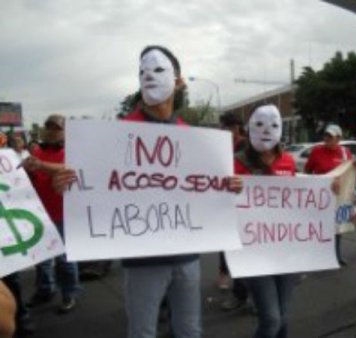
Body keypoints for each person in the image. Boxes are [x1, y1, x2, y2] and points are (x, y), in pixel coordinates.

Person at [52, 45, 243, 338]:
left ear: (178, 81)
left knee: (190, 330)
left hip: (187, 257)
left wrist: (229, 187)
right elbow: (91, 185)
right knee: (142, 333)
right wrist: (66, 183)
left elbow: (205, 188)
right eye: (143, 71)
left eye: (158, 70)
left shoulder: (192, 137)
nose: (149, 76)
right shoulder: (117, 133)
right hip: (143, 262)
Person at [234, 104, 297, 338]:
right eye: (259, 124)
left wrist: (329, 189)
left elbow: (299, 200)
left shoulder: (288, 161)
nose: (266, 130)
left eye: (273, 125)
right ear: (250, 128)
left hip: (286, 251)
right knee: (271, 319)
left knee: (283, 317)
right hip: (254, 252)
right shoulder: (236, 163)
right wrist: (229, 188)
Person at [22, 114, 82, 314]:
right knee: (41, 258)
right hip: (39, 214)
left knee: (65, 259)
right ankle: (45, 289)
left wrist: (40, 165)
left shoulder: (72, 150)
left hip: (64, 214)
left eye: (56, 127)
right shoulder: (36, 151)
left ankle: (69, 293)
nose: (51, 130)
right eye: (48, 126)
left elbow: (68, 169)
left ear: (65, 131)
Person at [304, 124, 352, 266]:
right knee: (318, 227)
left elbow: (349, 172)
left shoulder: (345, 153)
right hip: (321, 196)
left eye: (331, 136)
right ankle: (315, 256)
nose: (327, 139)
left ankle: (336, 255)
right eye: (326, 135)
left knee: (337, 228)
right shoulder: (317, 151)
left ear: (339, 138)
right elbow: (308, 170)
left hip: (339, 196)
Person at [218, 111, 250, 311]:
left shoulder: (246, 146)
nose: (225, 131)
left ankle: (244, 296)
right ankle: (240, 293)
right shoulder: (223, 145)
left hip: (246, 205)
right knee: (231, 249)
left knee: (245, 253)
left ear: (237, 127)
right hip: (227, 204)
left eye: (228, 127)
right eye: (223, 127)